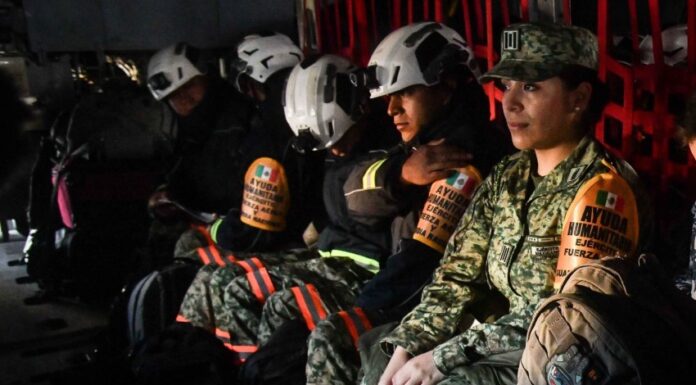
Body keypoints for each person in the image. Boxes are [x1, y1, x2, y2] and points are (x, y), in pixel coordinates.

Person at [365, 22, 654, 385]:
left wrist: (441, 358)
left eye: (530, 87)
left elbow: (568, 319)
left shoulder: (603, 191)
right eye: (506, 85)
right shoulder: (507, 176)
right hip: (490, 349)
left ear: (578, 98)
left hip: (556, 362)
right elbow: (456, 277)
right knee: (378, 360)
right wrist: (410, 344)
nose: (510, 102)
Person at [302, 21, 509, 385]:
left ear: (446, 86)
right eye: (387, 99)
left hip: (422, 307)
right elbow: (344, 194)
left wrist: (367, 306)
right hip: (405, 295)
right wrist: (398, 176)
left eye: (405, 93)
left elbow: (421, 263)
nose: (391, 110)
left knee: (331, 337)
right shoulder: (419, 149)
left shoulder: (456, 157)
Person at [176, 55, 399, 361]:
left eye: (339, 140)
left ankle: (266, 370)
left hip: (369, 265)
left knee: (264, 300)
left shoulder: (396, 145)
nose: (334, 150)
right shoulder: (328, 142)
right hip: (328, 250)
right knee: (230, 284)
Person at [145, 42, 256, 268]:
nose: (184, 98)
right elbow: (176, 171)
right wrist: (166, 196)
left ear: (206, 78)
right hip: (204, 220)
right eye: (175, 95)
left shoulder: (240, 118)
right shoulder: (182, 130)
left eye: (189, 87)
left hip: (234, 226)